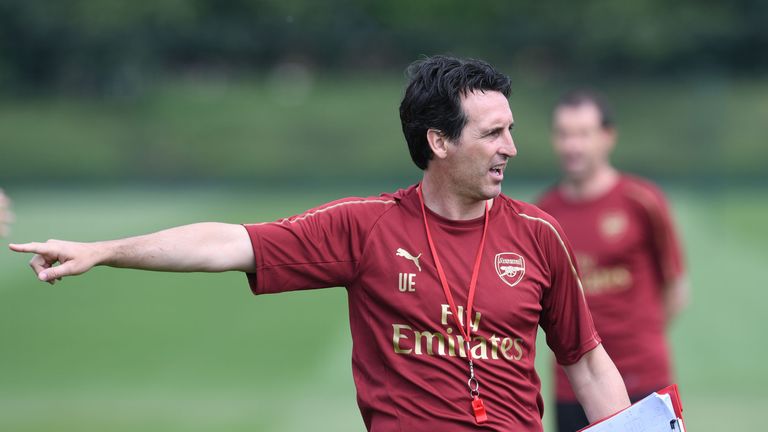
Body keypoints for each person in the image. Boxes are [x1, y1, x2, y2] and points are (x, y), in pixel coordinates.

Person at [10, 56, 629, 431]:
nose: (511, 149)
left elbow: (587, 361)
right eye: (493, 134)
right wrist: (106, 249)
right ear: (439, 142)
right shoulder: (365, 227)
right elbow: (228, 243)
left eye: (511, 131)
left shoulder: (538, 235)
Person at [536, 90, 688, 432]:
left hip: (642, 379)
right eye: (564, 134)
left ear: (608, 137)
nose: (572, 145)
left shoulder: (641, 202)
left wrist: (637, 341)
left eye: (583, 134)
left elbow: (676, 287)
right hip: (572, 386)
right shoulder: (542, 215)